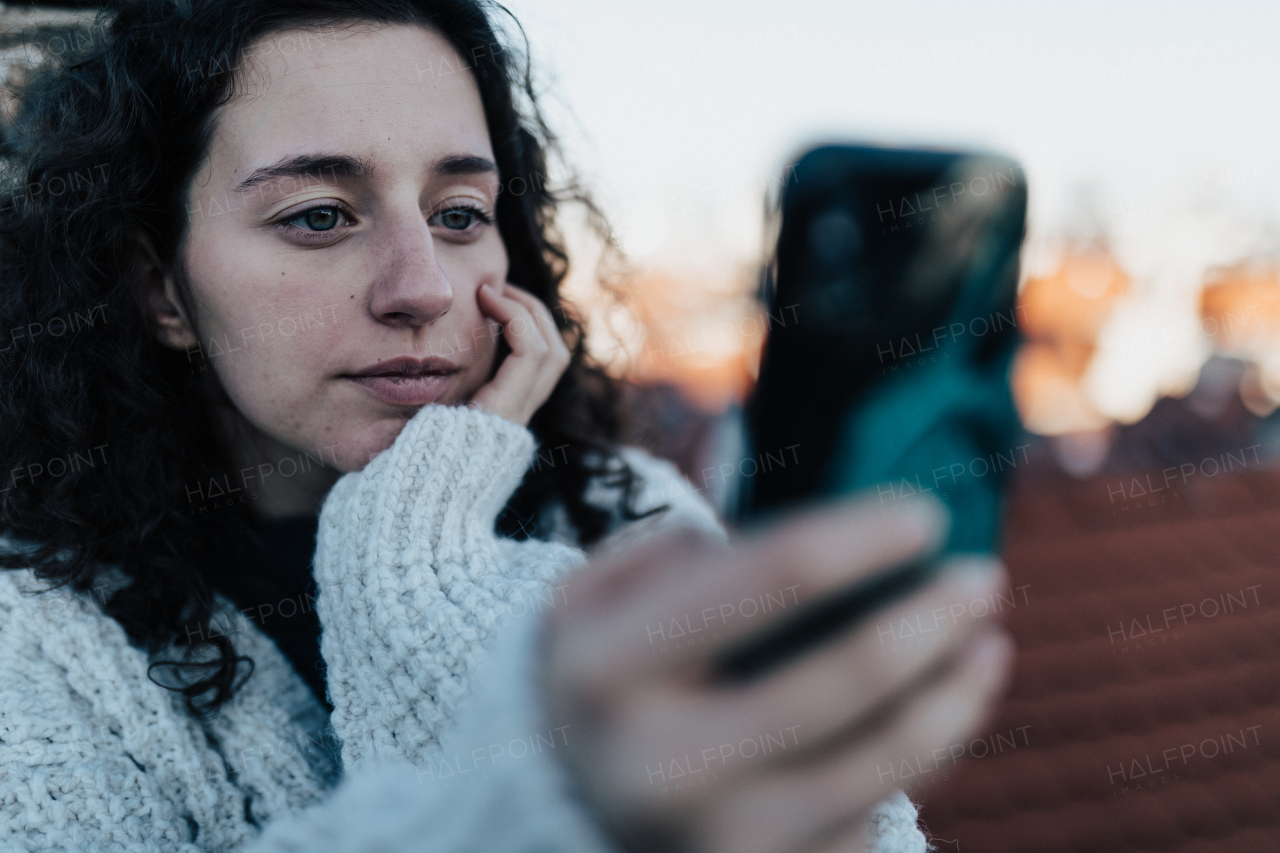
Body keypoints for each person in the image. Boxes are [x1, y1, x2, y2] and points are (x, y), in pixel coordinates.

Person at [0, 1, 1014, 851]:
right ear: (158, 288)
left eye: (457, 213)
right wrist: (414, 555)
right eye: (318, 215)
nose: (423, 288)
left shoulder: (618, 508)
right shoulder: (32, 642)